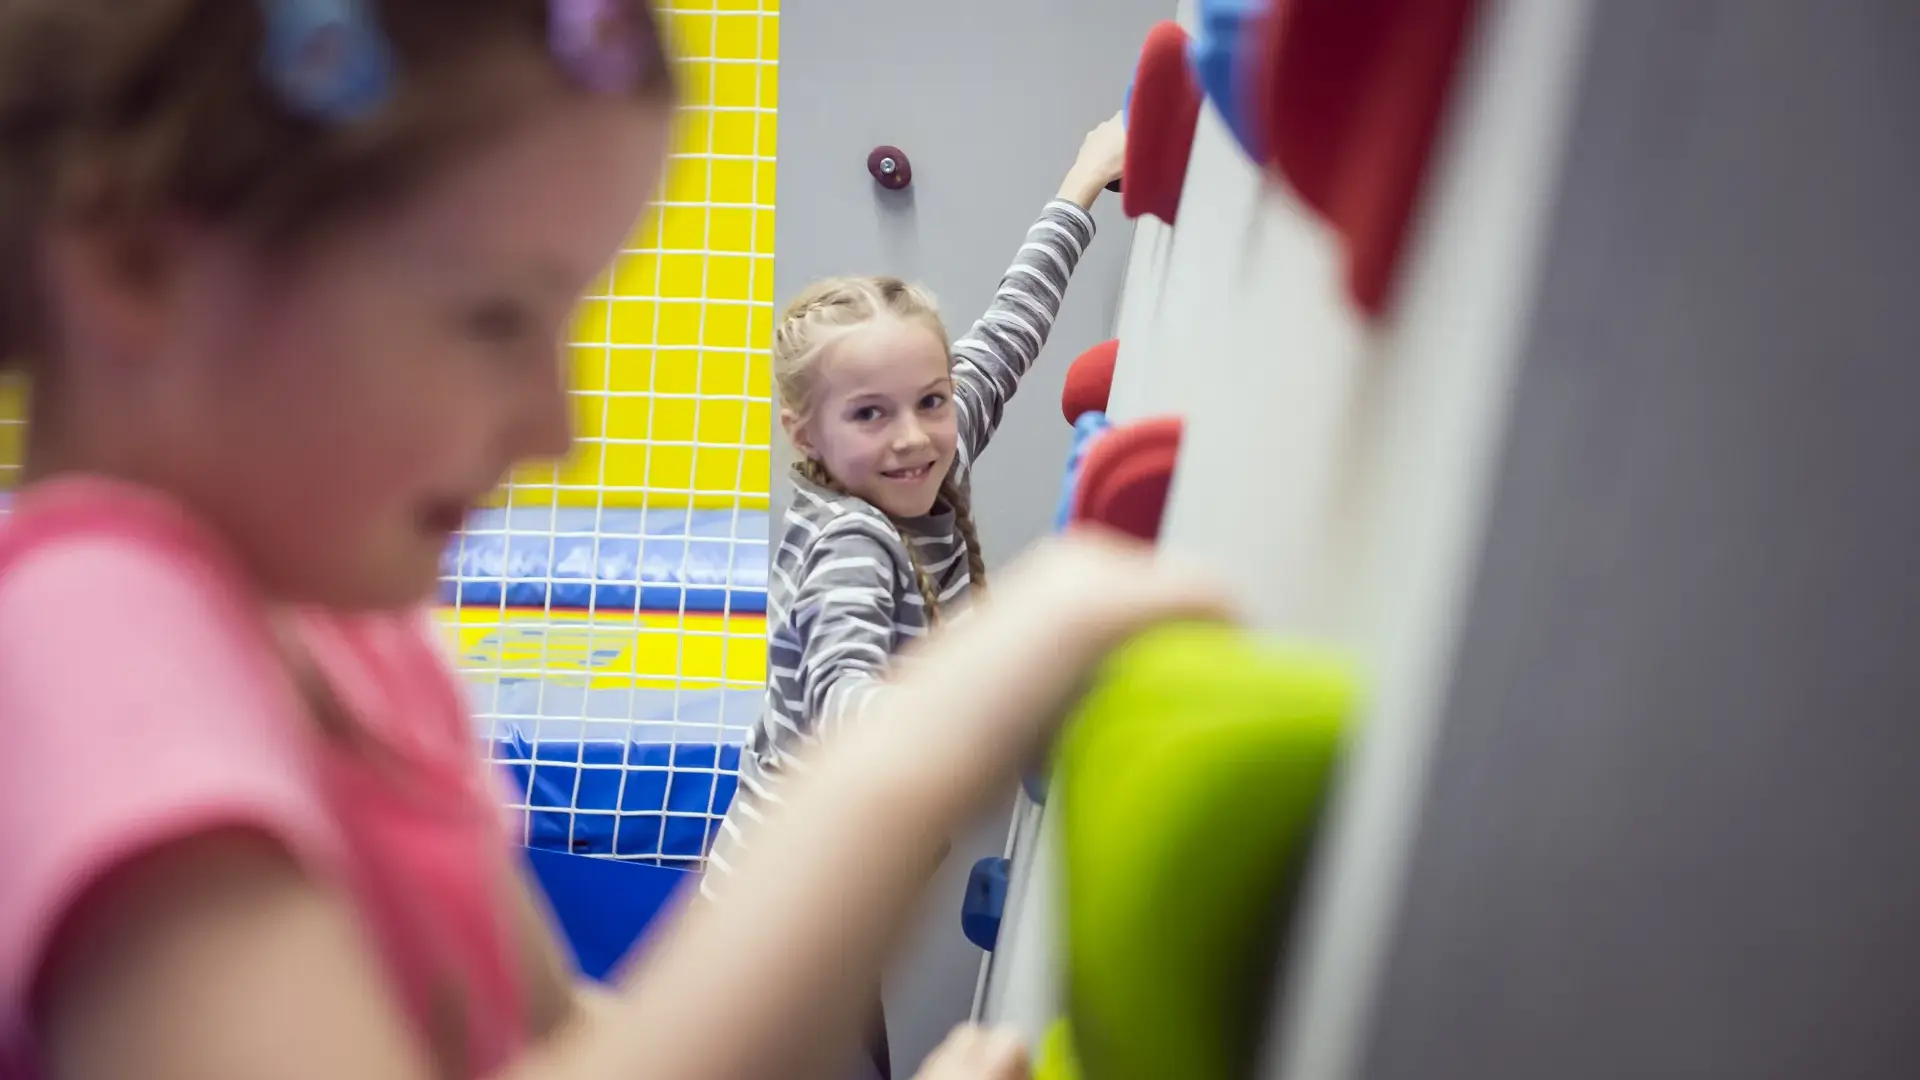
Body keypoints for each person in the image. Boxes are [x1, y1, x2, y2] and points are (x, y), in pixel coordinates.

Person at [0, 3, 1232, 1080]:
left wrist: (1073, 195)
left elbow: (577, 1048)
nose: (557, 428)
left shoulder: (367, 649)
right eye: (492, 320)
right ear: (135, 265)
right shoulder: (98, 646)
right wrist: (950, 720)